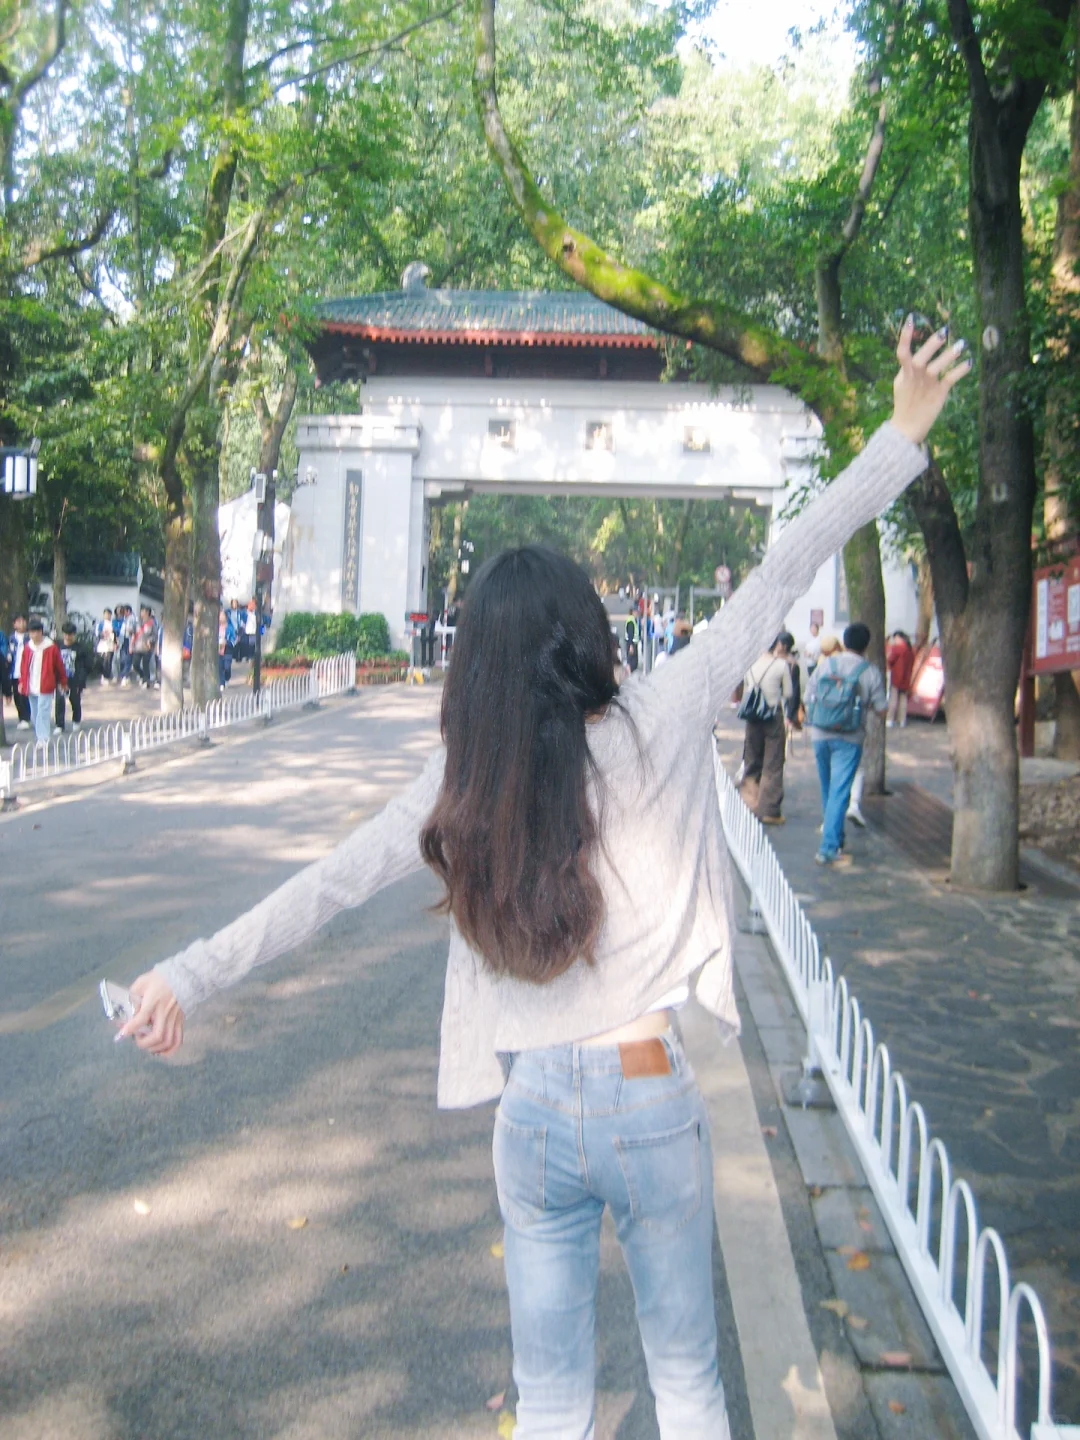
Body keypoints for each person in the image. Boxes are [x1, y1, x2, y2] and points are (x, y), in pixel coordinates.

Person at [118, 322, 968, 1440]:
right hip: (651, 1091)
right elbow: (783, 568)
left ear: (472, 660)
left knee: (556, 1402)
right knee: (690, 1386)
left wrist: (185, 973)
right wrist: (901, 434)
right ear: (589, 634)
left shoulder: (460, 774)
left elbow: (325, 885)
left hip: (530, 1111)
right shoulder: (663, 711)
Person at [805, 621, 888, 866]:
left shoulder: (826, 665)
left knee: (829, 789)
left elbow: (808, 696)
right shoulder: (869, 672)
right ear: (866, 645)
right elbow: (882, 710)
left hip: (820, 733)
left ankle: (836, 837)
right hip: (849, 738)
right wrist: (867, 705)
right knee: (840, 792)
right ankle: (828, 848)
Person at [738, 632, 794, 824]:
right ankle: (769, 809)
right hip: (772, 715)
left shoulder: (750, 664)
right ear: (776, 645)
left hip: (752, 717)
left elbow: (746, 687)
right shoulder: (781, 665)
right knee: (773, 762)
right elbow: (788, 693)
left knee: (752, 759)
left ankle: (748, 803)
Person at [19, 616, 68, 744]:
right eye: (31, 632)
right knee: (35, 714)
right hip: (31, 685)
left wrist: (63, 682)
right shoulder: (28, 647)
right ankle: (40, 735)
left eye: (36, 632)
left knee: (43, 712)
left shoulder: (50, 647)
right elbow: (23, 666)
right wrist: (22, 682)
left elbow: (59, 666)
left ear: (41, 632)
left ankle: (44, 738)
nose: (33, 635)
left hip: (45, 684)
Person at [55, 621, 87, 731]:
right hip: (61, 679)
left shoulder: (79, 648)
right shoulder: (57, 646)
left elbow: (83, 667)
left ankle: (76, 721)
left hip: (74, 679)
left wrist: (81, 683)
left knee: (75, 700)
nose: (68, 637)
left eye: (70, 634)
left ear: (74, 634)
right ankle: (60, 725)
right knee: (59, 701)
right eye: (66, 634)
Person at [885, 629, 915, 727]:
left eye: (895, 638)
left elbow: (890, 659)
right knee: (903, 699)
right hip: (906, 677)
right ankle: (902, 720)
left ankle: (890, 719)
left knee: (893, 699)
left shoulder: (897, 648)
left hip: (897, 676)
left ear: (898, 638)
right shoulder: (910, 649)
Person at [7, 615, 32, 728]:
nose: (21, 623)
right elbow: (9, 652)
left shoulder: (29, 638)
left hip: (27, 672)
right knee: (17, 696)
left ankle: (26, 718)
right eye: (18, 621)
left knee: (25, 695)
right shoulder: (12, 638)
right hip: (14, 671)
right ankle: (21, 717)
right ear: (14, 624)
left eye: (23, 621)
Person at [131, 606, 158, 687]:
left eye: (143, 612)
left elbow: (155, 635)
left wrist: (150, 640)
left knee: (146, 665)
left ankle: (146, 682)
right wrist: (131, 644)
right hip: (138, 647)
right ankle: (142, 676)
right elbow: (133, 634)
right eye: (141, 611)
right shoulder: (138, 623)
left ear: (147, 613)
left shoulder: (152, 623)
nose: (141, 613)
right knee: (135, 664)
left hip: (147, 648)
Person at [95, 608, 117, 683]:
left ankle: (107, 675)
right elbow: (97, 633)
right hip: (102, 644)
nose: (107, 616)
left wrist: (115, 643)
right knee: (104, 661)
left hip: (110, 644)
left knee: (109, 661)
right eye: (106, 614)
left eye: (109, 614)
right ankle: (103, 676)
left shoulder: (113, 623)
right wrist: (102, 635)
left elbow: (115, 633)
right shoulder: (100, 623)